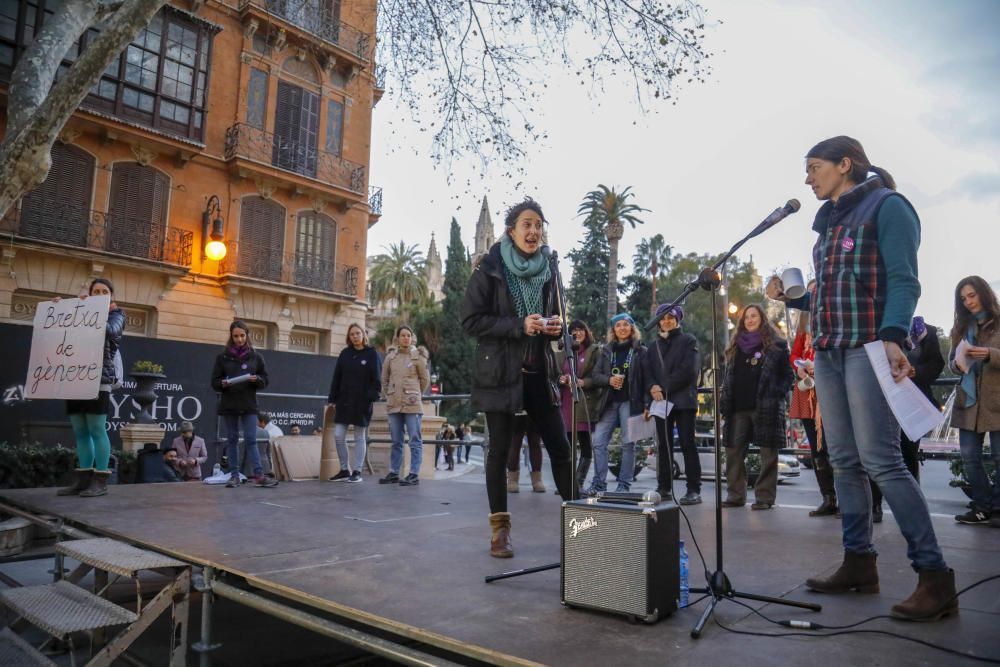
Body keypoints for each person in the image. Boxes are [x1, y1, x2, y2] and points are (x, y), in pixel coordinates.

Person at [768, 135, 956, 621]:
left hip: (869, 348)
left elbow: (903, 279)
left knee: (882, 461)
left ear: (844, 164)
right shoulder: (827, 226)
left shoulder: (888, 207)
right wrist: (791, 299)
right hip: (829, 352)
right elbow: (828, 296)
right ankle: (859, 563)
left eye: (814, 167)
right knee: (844, 461)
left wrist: (894, 335)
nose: (807, 178)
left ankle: (934, 576)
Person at [461, 197, 576, 558]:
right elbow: (470, 320)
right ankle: (499, 532)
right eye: (527, 224)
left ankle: (580, 528)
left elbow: (556, 318)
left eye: (539, 225)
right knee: (498, 451)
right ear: (511, 231)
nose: (534, 231)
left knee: (560, 447)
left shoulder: (550, 270)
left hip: (539, 373)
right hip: (500, 373)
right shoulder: (489, 268)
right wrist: (517, 325)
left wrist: (556, 327)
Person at [869, 315, 943, 521]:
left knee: (909, 454)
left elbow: (936, 364)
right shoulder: (878, 330)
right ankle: (875, 504)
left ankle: (913, 507)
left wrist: (915, 372)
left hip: (913, 401)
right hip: (883, 399)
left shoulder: (926, 331)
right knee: (877, 452)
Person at [719, 304, 793, 510]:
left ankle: (765, 497)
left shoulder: (777, 345)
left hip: (766, 406)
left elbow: (789, 376)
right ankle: (735, 495)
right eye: (746, 317)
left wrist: (776, 392)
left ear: (762, 319)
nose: (749, 320)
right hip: (737, 407)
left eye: (754, 316)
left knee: (768, 453)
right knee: (733, 452)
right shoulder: (735, 346)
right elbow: (729, 377)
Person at [57, 278, 125, 498]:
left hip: (99, 379)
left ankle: (101, 480)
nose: (100, 294)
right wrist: (60, 309)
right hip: (75, 376)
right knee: (80, 430)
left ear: (111, 296)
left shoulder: (117, 316)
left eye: (105, 291)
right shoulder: (81, 310)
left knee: (96, 428)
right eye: (96, 291)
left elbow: (111, 331)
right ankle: (83, 479)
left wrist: (86, 310)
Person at [948, 277, 1000, 527]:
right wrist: (956, 365)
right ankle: (982, 506)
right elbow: (951, 361)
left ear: (983, 293)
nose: (968, 302)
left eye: (972, 295)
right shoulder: (961, 327)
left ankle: (997, 508)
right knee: (969, 456)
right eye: (963, 298)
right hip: (968, 400)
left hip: (996, 399)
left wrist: (991, 354)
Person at [643, 304, 702, 504]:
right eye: (663, 317)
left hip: (683, 400)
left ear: (677, 319)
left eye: (671, 317)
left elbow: (689, 371)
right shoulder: (653, 346)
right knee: (663, 446)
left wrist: (663, 387)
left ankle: (693, 489)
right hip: (660, 402)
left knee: (687, 444)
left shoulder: (688, 340)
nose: (667, 321)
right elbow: (647, 371)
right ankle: (664, 487)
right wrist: (652, 387)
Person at [211, 319, 277, 488]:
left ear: (247, 335)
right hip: (229, 403)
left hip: (248, 404)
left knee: (251, 439)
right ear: (231, 337)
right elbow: (214, 382)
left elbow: (266, 380)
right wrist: (223, 383)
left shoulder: (256, 357)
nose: (239, 339)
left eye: (242, 336)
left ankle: (259, 475)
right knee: (232, 439)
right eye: (235, 336)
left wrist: (257, 380)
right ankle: (234, 476)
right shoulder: (222, 357)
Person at [587, 313, 647, 495]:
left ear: (632, 328)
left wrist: (646, 404)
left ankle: (624, 486)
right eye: (618, 325)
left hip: (630, 401)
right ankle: (599, 484)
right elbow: (595, 376)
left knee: (628, 444)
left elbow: (646, 378)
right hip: (609, 402)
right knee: (598, 442)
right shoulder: (606, 350)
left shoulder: (640, 350)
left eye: (626, 325)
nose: (622, 328)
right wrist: (609, 380)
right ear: (613, 330)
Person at [789, 301, 838, 517]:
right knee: (816, 449)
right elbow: (794, 355)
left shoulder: (833, 325)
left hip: (829, 388)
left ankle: (847, 499)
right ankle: (828, 497)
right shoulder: (803, 332)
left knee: (834, 446)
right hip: (807, 389)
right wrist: (799, 369)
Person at [327, 323, 381, 483]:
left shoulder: (372, 354)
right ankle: (344, 470)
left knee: (359, 436)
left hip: (362, 402)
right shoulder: (345, 354)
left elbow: (376, 380)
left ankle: (357, 471)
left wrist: (370, 397)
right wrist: (332, 399)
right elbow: (336, 377)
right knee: (338, 435)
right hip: (344, 401)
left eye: (358, 333)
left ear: (364, 335)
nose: (355, 336)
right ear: (349, 337)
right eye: (352, 334)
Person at [557, 320, 606, 491]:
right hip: (565, 403)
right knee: (567, 445)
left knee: (585, 444)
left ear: (586, 332)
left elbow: (599, 377)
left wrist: (582, 382)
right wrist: (561, 379)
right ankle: (567, 483)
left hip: (585, 402)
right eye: (573, 331)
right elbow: (556, 373)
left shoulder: (594, 351)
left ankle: (578, 481)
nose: (577, 333)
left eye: (580, 330)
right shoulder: (564, 352)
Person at [378, 325, 430, 486]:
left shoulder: (418, 357)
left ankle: (413, 474)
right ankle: (394, 472)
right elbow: (384, 379)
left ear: (412, 338)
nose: (406, 338)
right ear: (398, 338)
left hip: (412, 405)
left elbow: (425, 380)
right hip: (394, 404)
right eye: (403, 335)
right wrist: (390, 394)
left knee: (415, 439)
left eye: (408, 335)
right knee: (396, 440)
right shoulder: (390, 357)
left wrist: (415, 394)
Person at [507, 415, 545, 492]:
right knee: (515, 441)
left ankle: (537, 480)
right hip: (517, 408)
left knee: (535, 441)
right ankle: (512, 480)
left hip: (534, 408)